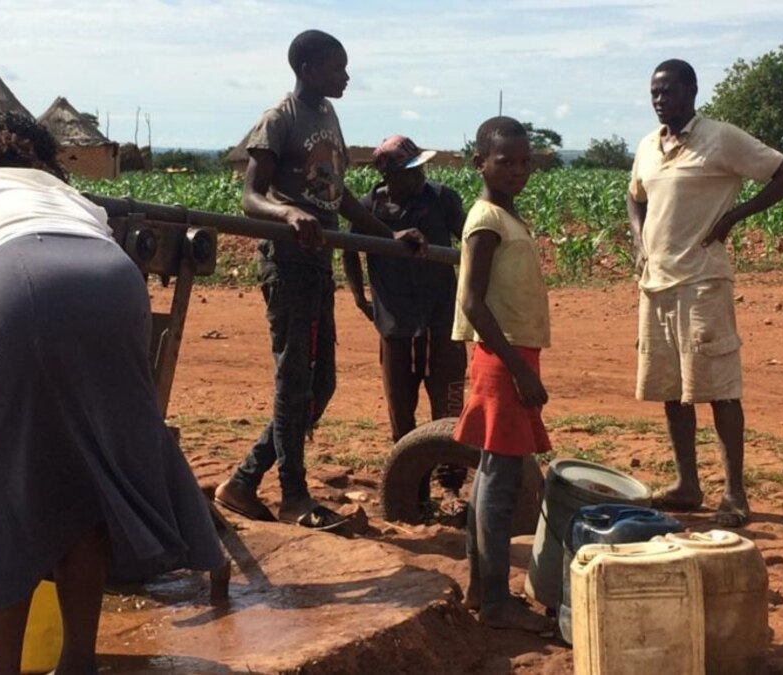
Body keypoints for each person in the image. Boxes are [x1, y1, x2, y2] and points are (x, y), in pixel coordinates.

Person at [0, 111, 224, 675]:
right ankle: (77, 662)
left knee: (8, 494)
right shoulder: (66, 194)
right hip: (116, 282)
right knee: (84, 487)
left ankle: (6, 672)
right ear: (42, 159)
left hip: (20, 283)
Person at [214, 30, 425, 532]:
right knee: (294, 381)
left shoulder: (328, 118)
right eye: (337, 68)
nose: (346, 77)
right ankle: (292, 496)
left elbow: (339, 199)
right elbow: (251, 196)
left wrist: (391, 234)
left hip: (316, 263)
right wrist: (287, 214)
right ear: (307, 68)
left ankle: (244, 483)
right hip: (286, 264)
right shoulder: (279, 120)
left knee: (320, 383)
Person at [627, 59, 783, 528]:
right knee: (672, 391)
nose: (659, 99)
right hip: (657, 285)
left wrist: (735, 216)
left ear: (691, 90)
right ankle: (688, 484)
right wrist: (638, 238)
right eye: (654, 91)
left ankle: (735, 495)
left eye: (668, 90)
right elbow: (635, 196)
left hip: (703, 283)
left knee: (719, 391)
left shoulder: (721, 138)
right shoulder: (648, 146)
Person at [453, 116, 552, 633]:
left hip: (512, 355)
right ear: (479, 165)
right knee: (501, 477)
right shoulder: (485, 220)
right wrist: (518, 369)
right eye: (504, 161)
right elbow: (471, 301)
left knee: (497, 472)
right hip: (502, 358)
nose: (517, 170)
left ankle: (479, 589)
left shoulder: (506, 217)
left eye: (523, 161)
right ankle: (493, 598)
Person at [342, 135, 469, 514]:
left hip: (441, 317)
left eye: (420, 169)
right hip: (395, 321)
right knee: (401, 407)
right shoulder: (370, 208)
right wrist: (360, 298)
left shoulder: (442, 199)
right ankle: (412, 489)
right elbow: (350, 249)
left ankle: (450, 489)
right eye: (410, 172)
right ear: (390, 176)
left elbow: (469, 240)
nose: (420, 177)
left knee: (448, 404)